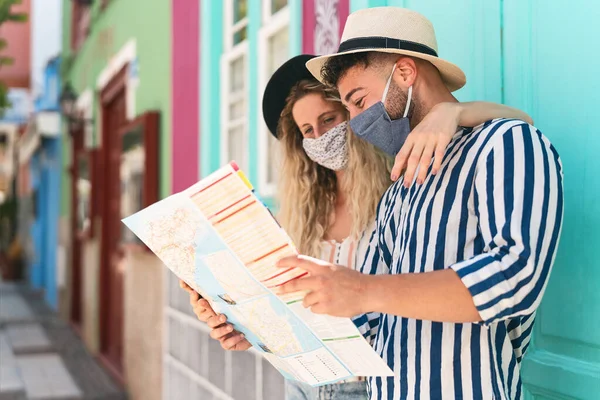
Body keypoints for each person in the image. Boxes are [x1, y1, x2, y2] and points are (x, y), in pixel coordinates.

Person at [181, 52, 535, 400]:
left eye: (330, 118)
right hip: (305, 382)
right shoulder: (301, 212)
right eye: (307, 130)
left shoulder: (400, 180)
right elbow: (301, 310)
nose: (319, 136)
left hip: (370, 383)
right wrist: (241, 322)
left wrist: (451, 111)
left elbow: (520, 122)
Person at [275, 7, 564, 400]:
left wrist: (363, 289)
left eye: (359, 101)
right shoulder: (399, 190)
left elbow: (515, 278)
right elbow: (366, 325)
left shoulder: (506, 145)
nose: (356, 122)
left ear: (406, 73)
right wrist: (258, 326)